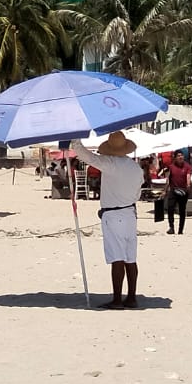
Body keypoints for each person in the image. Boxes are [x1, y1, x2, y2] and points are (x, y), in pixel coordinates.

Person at [67, 132, 144, 309]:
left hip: (114, 214)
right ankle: (131, 297)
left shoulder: (110, 164)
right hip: (130, 213)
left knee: (117, 257)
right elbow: (137, 194)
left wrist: (75, 140)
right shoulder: (135, 168)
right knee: (130, 258)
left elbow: (86, 156)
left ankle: (117, 299)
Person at [162, 151, 192, 236]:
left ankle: (180, 230)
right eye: (178, 156)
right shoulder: (171, 167)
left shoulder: (187, 166)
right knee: (170, 208)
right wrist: (165, 190)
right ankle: (171, 227)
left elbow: (188, 176)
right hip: (173, 190)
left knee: (182, 211)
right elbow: (168, 179)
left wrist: (188, 185)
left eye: (181, 155)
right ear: (175, 157)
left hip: (183, 190)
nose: (180, 157)